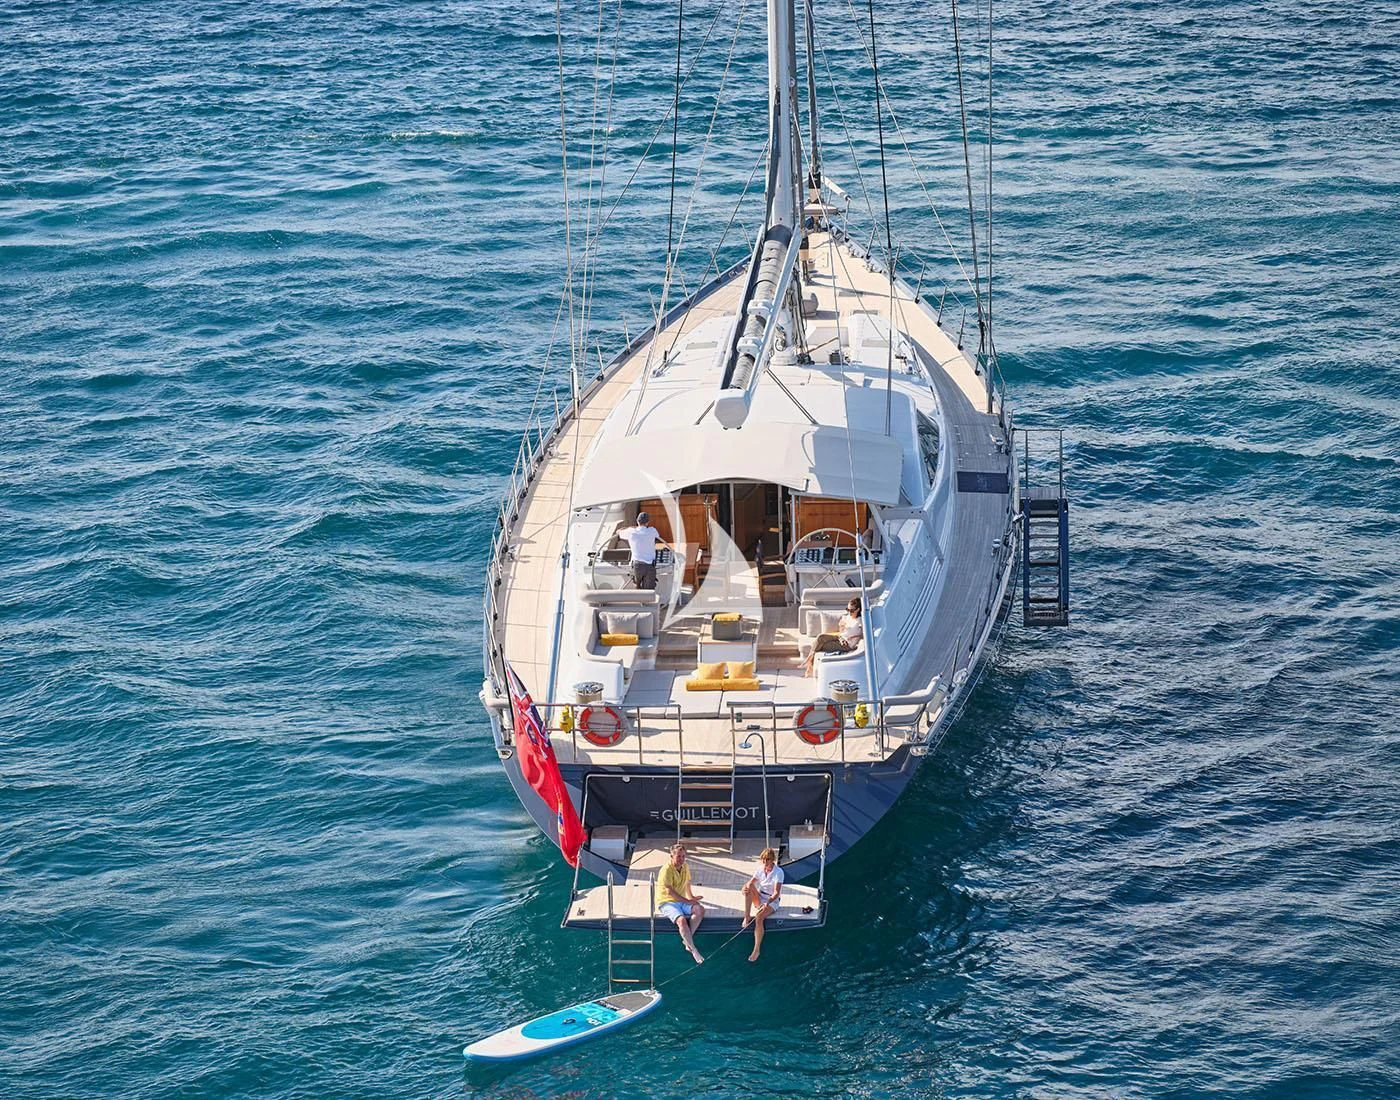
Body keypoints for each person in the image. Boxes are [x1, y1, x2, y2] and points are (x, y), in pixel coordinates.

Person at [655, 842, 705, 964]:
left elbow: (687, 882)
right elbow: (670, 892)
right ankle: (694, 950)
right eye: (678, 856)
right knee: (681, 921)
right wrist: (687, 901)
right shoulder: (666, 870)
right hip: (667, 902)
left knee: (700, 909)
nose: (681, 859)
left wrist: (692, 897)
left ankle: (687, 940)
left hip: (681, 900)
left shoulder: (685, 866)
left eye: (683, 856)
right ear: (671, 856)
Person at [741, 847, 784, 963]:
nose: (765, 862)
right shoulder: (760, 869)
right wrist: (744, 888)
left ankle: (756, 949)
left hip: (772, 900)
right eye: (763, 859)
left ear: (772, 859)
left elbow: (776, 892)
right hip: (760, 896)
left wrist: (767, 903)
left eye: (768, 859)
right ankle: (747, 916)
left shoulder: (778, 872)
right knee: (748, 887)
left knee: (759, 918)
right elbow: (751, 882)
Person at [803, 594, 863, 676]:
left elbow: (864, 634)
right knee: (820, 637)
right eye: (847, 609)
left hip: (846, 644)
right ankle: (809, 662)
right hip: (840, 637)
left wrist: (858, 642)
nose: (849, 612)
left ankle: (809, 664)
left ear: (857, 610)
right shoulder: (847, 617)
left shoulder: (860, 621)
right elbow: (842, 631)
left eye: (851, 610)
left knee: (821, 646)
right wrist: (841, 626)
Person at [618, 510, 671, 590]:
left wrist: (631, 527)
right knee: (649, 591)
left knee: (638, 588)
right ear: (648, 522)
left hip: (637, 566)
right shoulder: (652, 531)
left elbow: (618, 532)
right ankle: (648, 602)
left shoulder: (631, 532)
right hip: (650, 565)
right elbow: (657, 535)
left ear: (637, 521)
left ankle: (639, 599)